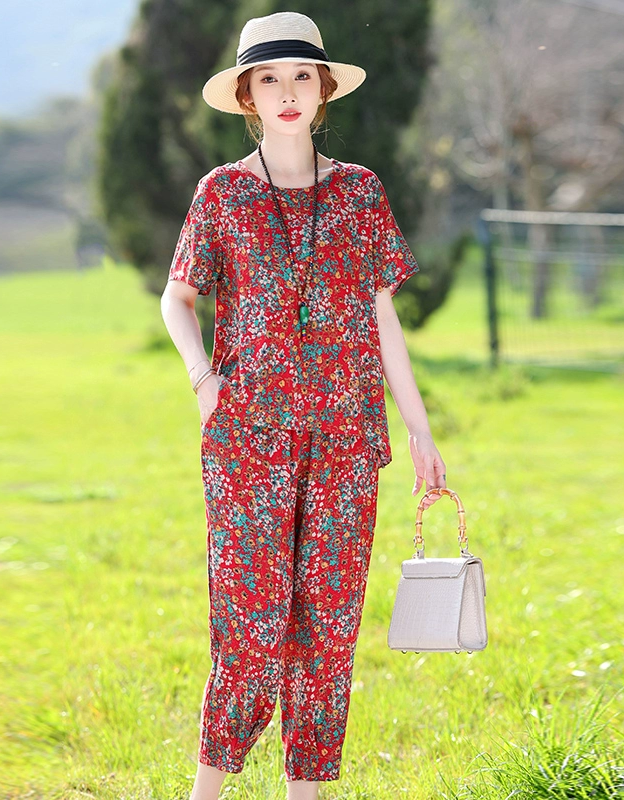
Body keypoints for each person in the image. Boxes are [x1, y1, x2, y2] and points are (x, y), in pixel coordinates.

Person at [160, 11, 446, 800]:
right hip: (247, 438)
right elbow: (177, 298)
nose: (286, 93)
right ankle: (206, 793)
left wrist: (420, 430)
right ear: (247, 97)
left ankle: (306, 792)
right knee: (250, 630)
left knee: (327, 630)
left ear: (322, 91)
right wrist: (203, 380)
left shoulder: (359, 192)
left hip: (347, 437)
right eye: (269, 79)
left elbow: (382, 316)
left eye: (300, 78)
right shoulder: (222, 193)